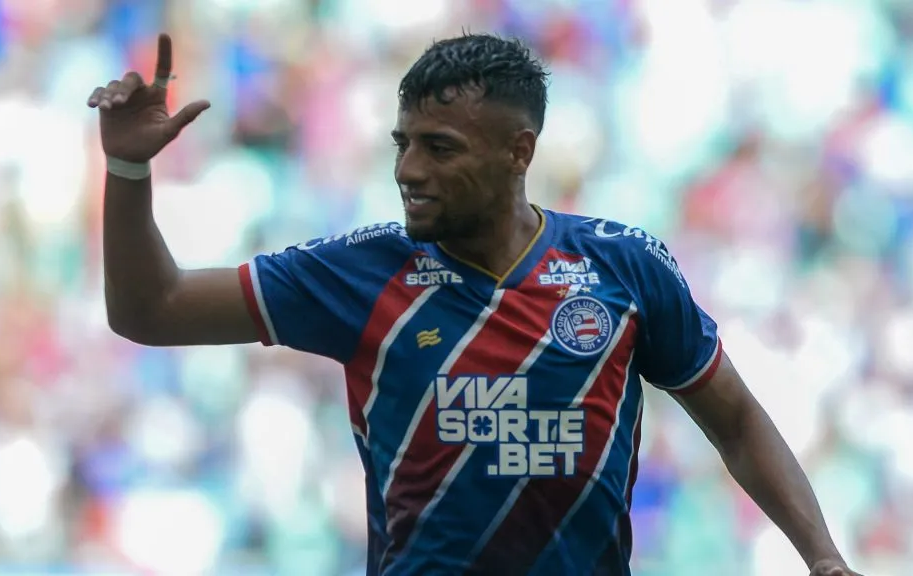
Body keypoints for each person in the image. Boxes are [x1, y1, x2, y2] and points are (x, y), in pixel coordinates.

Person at [87, 32, 861, 576]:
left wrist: (822, 555)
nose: (409, 169)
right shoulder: (361, 273)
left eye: (440, 147)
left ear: (518, 152)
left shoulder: (621, 267)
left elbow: (736, 420)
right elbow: (151, 311)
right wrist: (126, 173)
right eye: (403, 143)